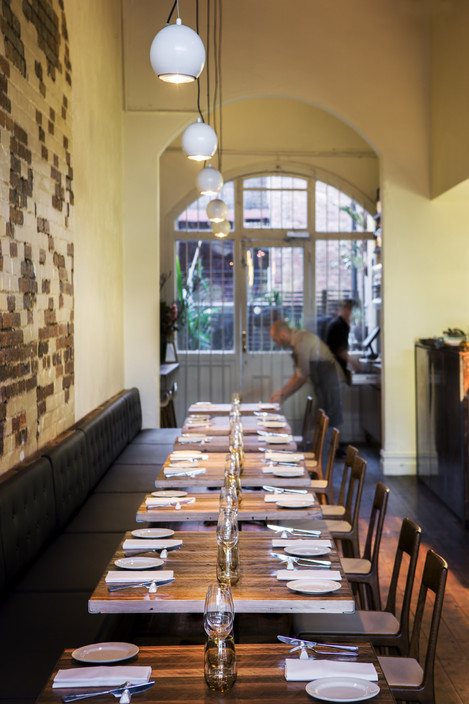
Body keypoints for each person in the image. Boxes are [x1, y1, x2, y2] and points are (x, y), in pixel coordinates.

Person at [269, 320, 343, 428]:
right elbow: (297, 375)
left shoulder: (301, 341)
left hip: (332, 381)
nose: (276, 344)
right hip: (323, 383)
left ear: (282, 334)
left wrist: (283, 396)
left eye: (275, 340)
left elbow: (302, 378)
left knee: (328, 423)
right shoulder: (296, 343)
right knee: (322, 422)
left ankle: (327, 445)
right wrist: (280, 393)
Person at [326, 299, 361, 385]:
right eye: (351, 310)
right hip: (334, 370)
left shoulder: (339, 323)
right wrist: (355, 365)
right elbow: (341, 351)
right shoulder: (339, 325)